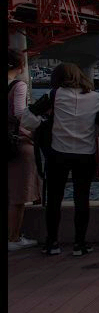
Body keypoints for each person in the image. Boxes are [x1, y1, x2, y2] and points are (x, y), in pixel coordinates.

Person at [31, 63, 99, 257]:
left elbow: (29, 116)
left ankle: (52, 242)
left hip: (58, 153)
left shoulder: (55, 95)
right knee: (82, 199)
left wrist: (43, 122)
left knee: (54, 199)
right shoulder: (96, 97)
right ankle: (80, 243)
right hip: (85, 154)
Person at [7, 49, 42, 251]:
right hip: (15, 143)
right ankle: (13, 237)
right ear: (20, 66)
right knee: (18, 194)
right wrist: (34, 129)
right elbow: (20, 113)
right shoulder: (18, 86)